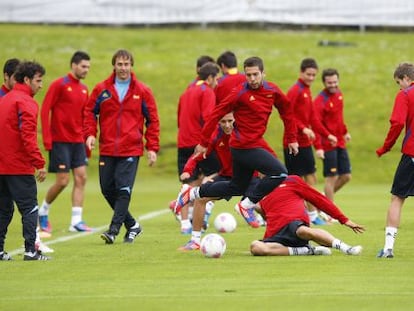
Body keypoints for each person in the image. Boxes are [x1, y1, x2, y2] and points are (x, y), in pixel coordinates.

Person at [175, 56, 299, 228]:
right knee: (279, 173)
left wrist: (292, 138)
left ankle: (192, 192)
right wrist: (204, 142)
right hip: (243, 146)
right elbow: (216, 113)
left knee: (236, 187)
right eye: (248, 75)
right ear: (244, 75)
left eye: (255, 74)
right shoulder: (240, 92)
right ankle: (246, 205)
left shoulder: (272, 90)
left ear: (263, 73)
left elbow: (286, 110)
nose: (252, 79)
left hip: (251, 145)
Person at [84, 49, 160, 244]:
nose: (123, 68)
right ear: (114, 66)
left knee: (123, 189)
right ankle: (133, 224)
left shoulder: (142, 91)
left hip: (131, 149)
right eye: (119, 64)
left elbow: (153, 121)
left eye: (126, 64)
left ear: (131, 66)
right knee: (107, 189)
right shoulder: (102, 89)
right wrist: (90, 133)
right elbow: (89, 112)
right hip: (108, 148)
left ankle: (113, 230)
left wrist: (152, 147)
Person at [0, 60, 50, 260]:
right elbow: (27, 136)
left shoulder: (5, 99)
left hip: (1, 166)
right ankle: (31, 251)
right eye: (38, 81)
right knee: (30, 208)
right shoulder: (26, 102)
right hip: (18, 166)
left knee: (3, 209)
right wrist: (39, 162)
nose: (41, 85)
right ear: (27, 79)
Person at [39, 51, 92, 234]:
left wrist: (87, 139)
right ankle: (43, 211)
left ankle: (76, 221)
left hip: (77, 142)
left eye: (88, 67)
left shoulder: (84, 89)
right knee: (62, 181)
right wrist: (47, 140)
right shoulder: (59, 85)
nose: (86, 70)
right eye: (83, 66)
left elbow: (85, 117)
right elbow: (45, 110)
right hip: (60, 140)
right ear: (74, 65)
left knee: (81, 177)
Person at [250, 175, 364, 256]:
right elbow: (268, 218)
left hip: (294, 223)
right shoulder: (260, 191)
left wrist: (343, 219)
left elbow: (318, 199)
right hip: (275, 233)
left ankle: (347, 248)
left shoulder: (291, 180)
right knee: (256, 247)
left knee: (303, 231)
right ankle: (306, 251)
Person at [284, 58, 337, 225]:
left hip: (304, 142)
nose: (312, 78)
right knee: (297, 181)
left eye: (314, 75)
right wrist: (302, 128)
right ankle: (307, 215)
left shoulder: (306, 90)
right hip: (293, 142)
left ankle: (309, 214)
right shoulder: (295, 90)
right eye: (309, 74)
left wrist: (326, 134)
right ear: (301, 73)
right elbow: (287, 114)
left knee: (310, 178)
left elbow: (313, 118)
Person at [175, 62, 221, 234]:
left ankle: (185, 223)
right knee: (222, 172)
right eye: (216, 79)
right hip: (200, 144)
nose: (217, 83)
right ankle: (205, 209)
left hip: (183, 142)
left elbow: (180, 118)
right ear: (209, 78)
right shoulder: (207, 92)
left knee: (188, 184)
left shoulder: (186, 92)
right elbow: (208, 118)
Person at [376, 62, 414, 258]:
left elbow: (398, 122)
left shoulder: (405, 95)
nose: (399, 86)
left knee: (397, 198)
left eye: (399, 82)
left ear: (407, 78)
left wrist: (386, 147)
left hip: (412, 154)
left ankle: (388, 248)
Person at [314, 68, 352, 202]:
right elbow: (315, 124)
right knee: (332, 177)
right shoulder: (319, 101)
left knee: (346, 176)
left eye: (335, 82)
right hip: (327, 145)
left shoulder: (339, 94)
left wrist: (345, 131)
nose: (333, 85)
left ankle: (322, 200)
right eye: (329, 83)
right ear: (324, 83)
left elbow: (339, 118)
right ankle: (329, 212)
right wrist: (318, 147)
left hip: (340, 142)